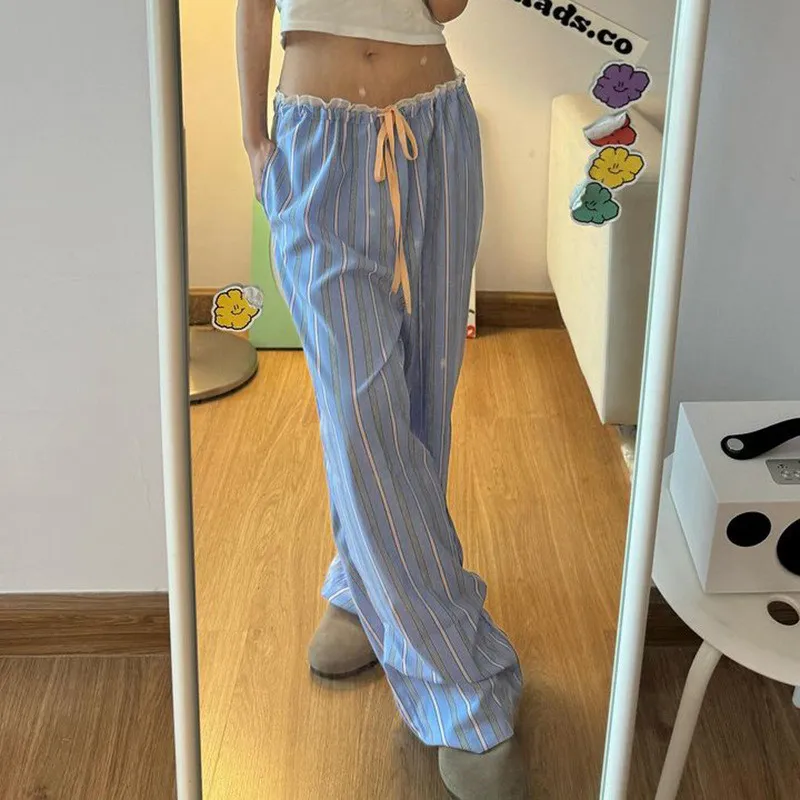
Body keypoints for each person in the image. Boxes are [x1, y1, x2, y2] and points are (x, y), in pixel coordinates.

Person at [236, 1, 526, 797]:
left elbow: (446, 7)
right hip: (315, 145)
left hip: (435, 133)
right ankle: (465, 686)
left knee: (422, 399)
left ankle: (359, 585)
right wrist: (254, 140)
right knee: (361, 415)